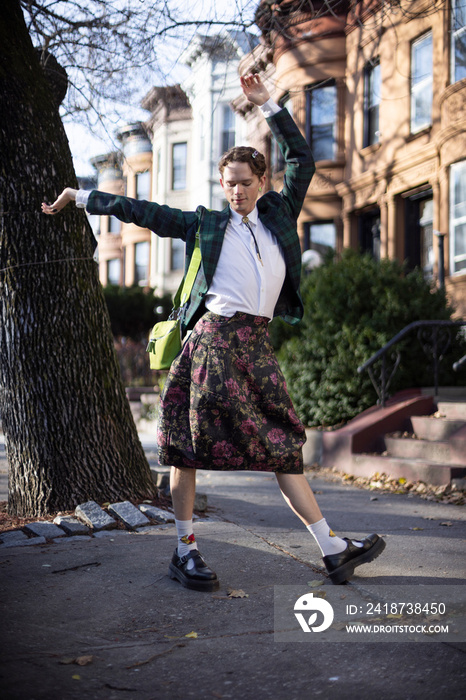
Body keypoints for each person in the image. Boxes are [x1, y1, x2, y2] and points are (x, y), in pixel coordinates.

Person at [42, 73, 385, 591]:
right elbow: (147, 213)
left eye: (246, 182)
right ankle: (186, 550)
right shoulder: (208, 225)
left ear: (261, 183)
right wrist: (84, 196)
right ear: (222, 187)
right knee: (185, 446)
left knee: (283, 444)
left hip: (257, 347)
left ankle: (332, 548)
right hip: (213, 344)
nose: (238, 191)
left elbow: (303, 159)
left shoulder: (278, 217)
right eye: (230, 184)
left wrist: (269, 103)